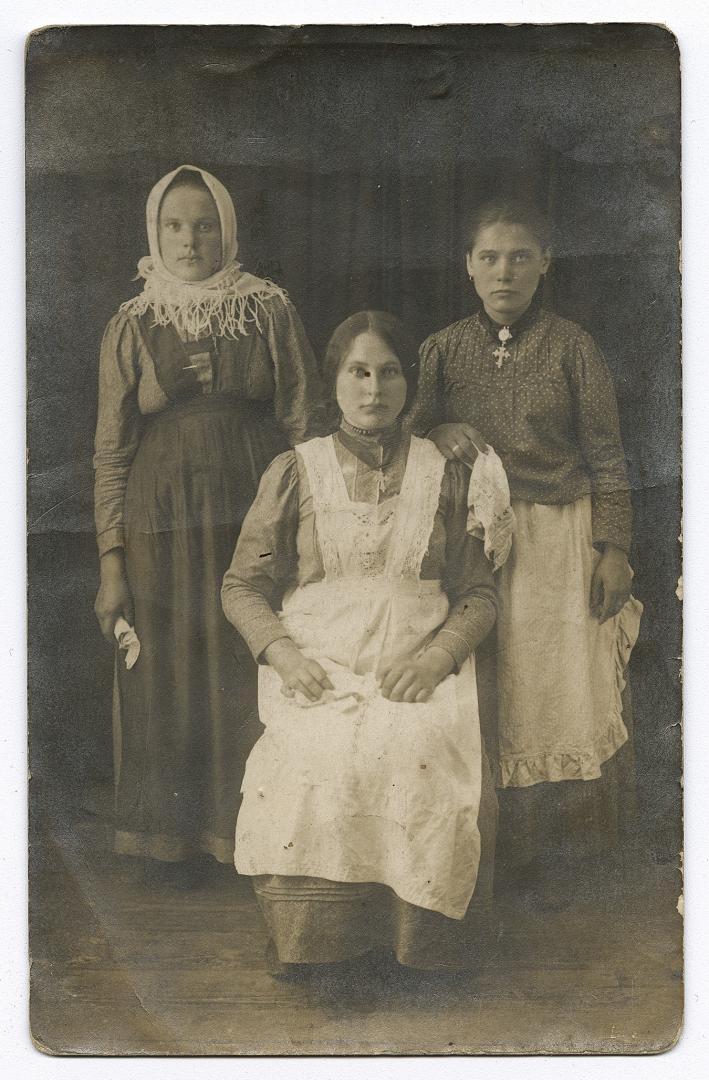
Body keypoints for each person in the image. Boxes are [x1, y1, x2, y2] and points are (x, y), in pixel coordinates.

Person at [221, 311, 499, 974]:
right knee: (316, 762)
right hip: (316, 666)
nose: (373, 388)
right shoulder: (294, 471)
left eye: (389, 372)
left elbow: (479, 594)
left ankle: (414, 953)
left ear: (409, 385)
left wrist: (436, 657)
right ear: (335, 382)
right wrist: (284, 655)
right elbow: (240, 586)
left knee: (415, 753)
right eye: (358, 372)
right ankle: (317, 951)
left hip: (417, 668)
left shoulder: (445, 473)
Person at [406, 198, 643, 903]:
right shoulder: (442, 349)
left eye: (518, 257)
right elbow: (401, 436)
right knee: (490, 683)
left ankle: (561, 856)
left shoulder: (573, 346)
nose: (502, 271)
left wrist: (614, 549)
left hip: (555, 538)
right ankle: (490, 849)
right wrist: (441, 426)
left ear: (544, 264)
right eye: (488, 258)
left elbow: (604, 453)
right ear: (468, 268)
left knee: (553, 688)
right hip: (474, 543)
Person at [93, 165, 325, 882]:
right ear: (154, 233)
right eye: (174, 225)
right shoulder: (131, 323)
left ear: (226, 229)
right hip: (159, 523)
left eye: (203, 224)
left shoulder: (269, 310)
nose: (189, 239)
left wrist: (310, 525)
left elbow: (303, 420)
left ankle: (250, 839)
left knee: (245, 661)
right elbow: (110, 450)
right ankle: (171, 847)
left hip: (256, 511)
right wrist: (112, 562)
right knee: (168, 668)